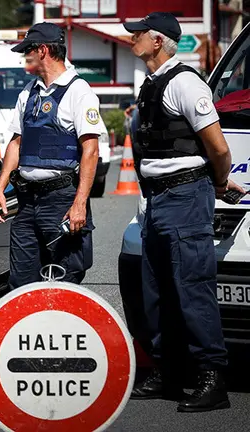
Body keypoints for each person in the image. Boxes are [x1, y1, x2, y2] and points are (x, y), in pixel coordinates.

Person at [123, 12, 244, 412]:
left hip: (186, 197)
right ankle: (169, 371)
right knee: (156, 291)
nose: (132, 39)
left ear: (158, 41)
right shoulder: (152, 84)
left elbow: (220, 148)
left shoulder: (186, 84)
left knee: (193, 289)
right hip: (157, 200)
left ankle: (213, 378)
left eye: (138, 34)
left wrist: (220, 184)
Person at [0, 22, 103, 289]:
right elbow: (16, 143)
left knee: (65, 280)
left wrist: (79, 205)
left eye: (28, 50)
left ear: (43, 51)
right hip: (28, 200)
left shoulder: (79, 92)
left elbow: (91, 151)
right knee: (20, 282)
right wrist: (0, 189)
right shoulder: (28, 92)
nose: (24, 56)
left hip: (61, 200)